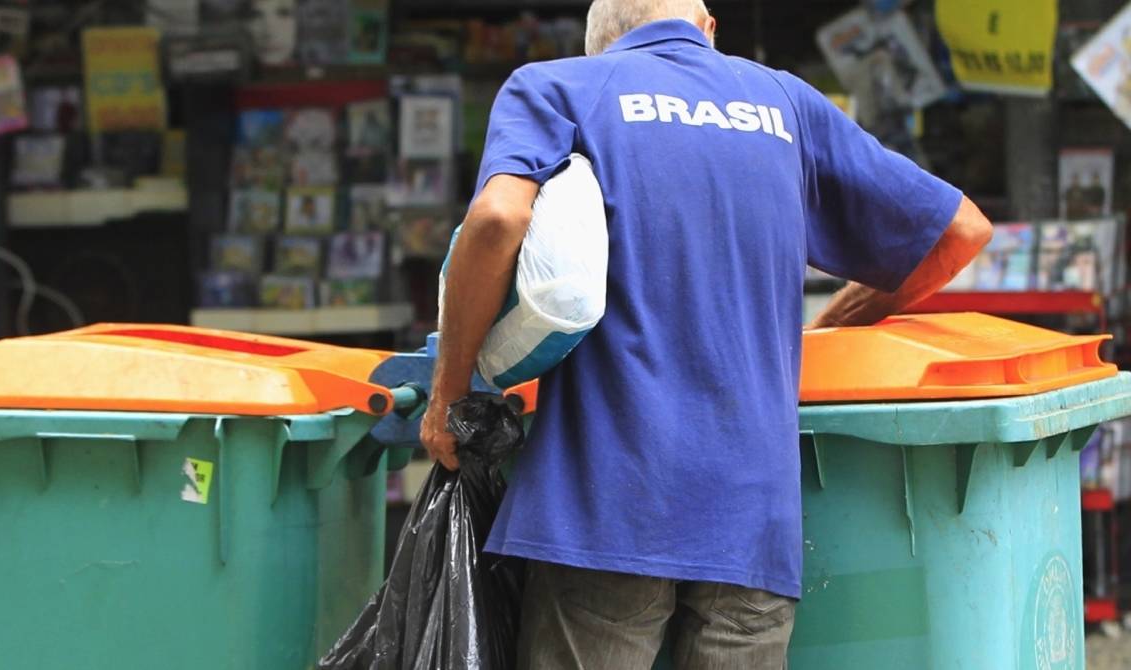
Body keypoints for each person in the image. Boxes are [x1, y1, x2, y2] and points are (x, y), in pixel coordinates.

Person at [421, 1, 993, 668]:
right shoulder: (786, 103)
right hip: (753, 524)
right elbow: (960, 231)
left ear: (600, 42)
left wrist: (448, 397)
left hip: (605, 509)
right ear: (708, 28)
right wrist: (834, 322)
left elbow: (495, 219)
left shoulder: (560, 85)